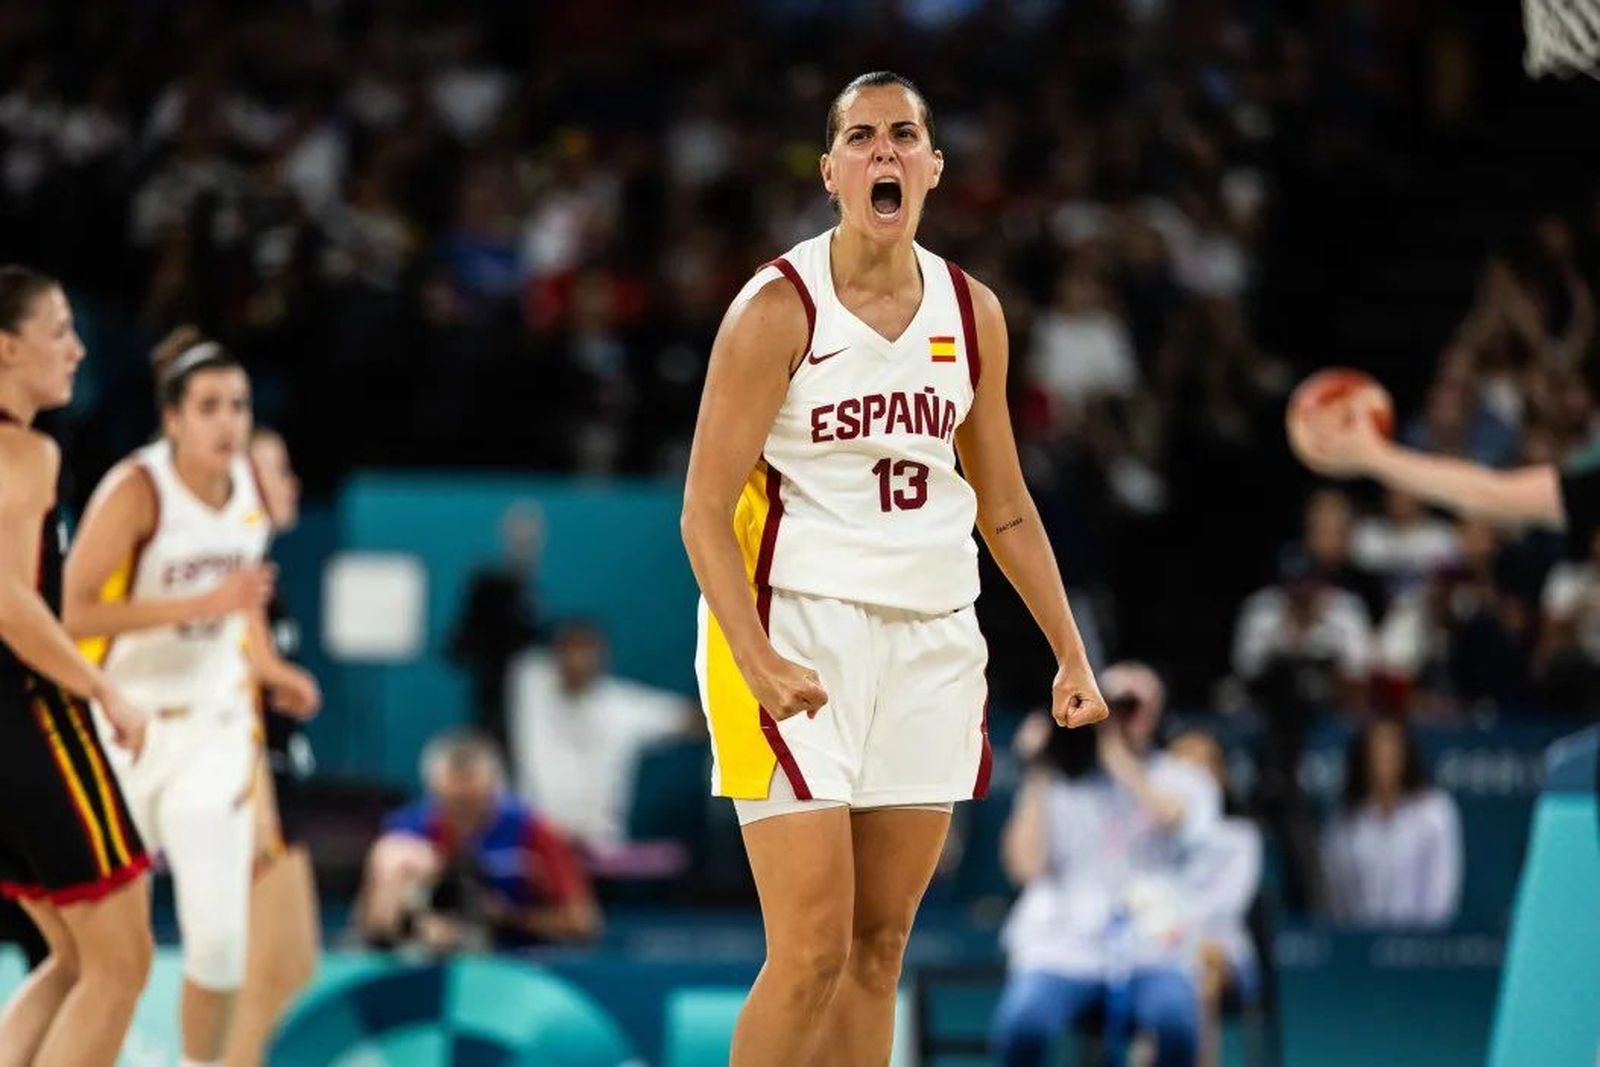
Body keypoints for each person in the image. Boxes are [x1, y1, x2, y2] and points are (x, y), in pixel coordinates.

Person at [679, 71, 1107, 1067]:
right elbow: (702, 511)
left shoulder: (972, 310)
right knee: (812, 948)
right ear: (830, 172)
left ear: (932, 167)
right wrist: (755, 659)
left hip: (931, 636)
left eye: (902, 136)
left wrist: (1070, 653)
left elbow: (1003, 504)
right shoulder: (775, 309)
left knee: (877, 948)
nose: (884, 153)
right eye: (862, 138)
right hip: (793, 629)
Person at [63, 326, 320, 1067]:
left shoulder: (253, 488)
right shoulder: (135, 489)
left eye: (238, 405)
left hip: (214, 730)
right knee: (102, 953)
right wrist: (199, 600)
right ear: (172, 419)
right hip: (123, 724)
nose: (228, 421)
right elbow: (74, 614)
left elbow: (244, 599)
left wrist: (269, 666)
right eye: (208, 405)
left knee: (219, 946)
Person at [0, 264, 155, 1067]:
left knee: (72, 959)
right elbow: (8, 604)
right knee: (122, 962)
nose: (78, 347)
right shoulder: (22, 452)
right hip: (30, 719)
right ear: (5, 348)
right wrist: (105, 689)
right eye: (58, 330)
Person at [991, 662, 1217, 1067]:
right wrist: (1040, 767)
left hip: (1151, 945)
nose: (1115, 717)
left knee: (1177, 1024)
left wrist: (1116, 754)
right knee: (1022, 1025)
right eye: (1108, 706)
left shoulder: (1179, 777)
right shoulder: (1056, 782)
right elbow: (1024, 867)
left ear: (1156, 712)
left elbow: (1174, 819)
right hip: (1065, 945)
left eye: (1129, 706)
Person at [223, 427, 322, 1067]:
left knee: (291, 968)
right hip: (252, 791)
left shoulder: (263, 574)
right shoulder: (234, 573)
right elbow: (231, 689)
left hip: (282, 786)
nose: (293, 485)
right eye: (276, 470)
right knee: (259, 977)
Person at [355, 729, 598, 953]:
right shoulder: (405, 835)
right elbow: (371, 922)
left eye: (472, 799)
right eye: (453, 799)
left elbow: (582, 921)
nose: (462, 803)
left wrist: (507, 918)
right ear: (433, 789)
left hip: (520, 963)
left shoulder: (534, 832)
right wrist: (415, 923)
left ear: (494, 787)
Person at [506, 619, 695, 848]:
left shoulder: (622, 706)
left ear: (604, 657)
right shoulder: (531, 684)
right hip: (538, 845)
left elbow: (689, 720)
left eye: (588, 651)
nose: (579, 660)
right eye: (572, 649)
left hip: (600, 848)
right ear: (555, 654)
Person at [1168, 730, 1264, 1067]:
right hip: (1159, 949)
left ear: (1219, 778)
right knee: (1156, 974)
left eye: (1202, 769)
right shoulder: (1152, 840)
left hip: (1225, 953)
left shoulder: (1242, 837)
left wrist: (1179, 933)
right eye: (1183, 770)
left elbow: (1228, 904)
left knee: (1198, 970)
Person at [1322, 719, 1463, 927]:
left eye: (1391, 751)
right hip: (1361, 941)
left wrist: (1422, 941)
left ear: (1405, 754)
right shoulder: (1345, 822)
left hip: (1421, 942)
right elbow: (1338, 895)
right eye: (1376, 751)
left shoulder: (1434, 813)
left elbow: (1442, 890)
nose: (1383, 760)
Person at [448, 501, 545, 749]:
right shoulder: (488, 589)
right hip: (493, 703)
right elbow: (457, 646)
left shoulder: (529, 594)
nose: (525, 542)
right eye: (518, 533)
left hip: (529, 704)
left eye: (532, 535)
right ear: (504, 534)